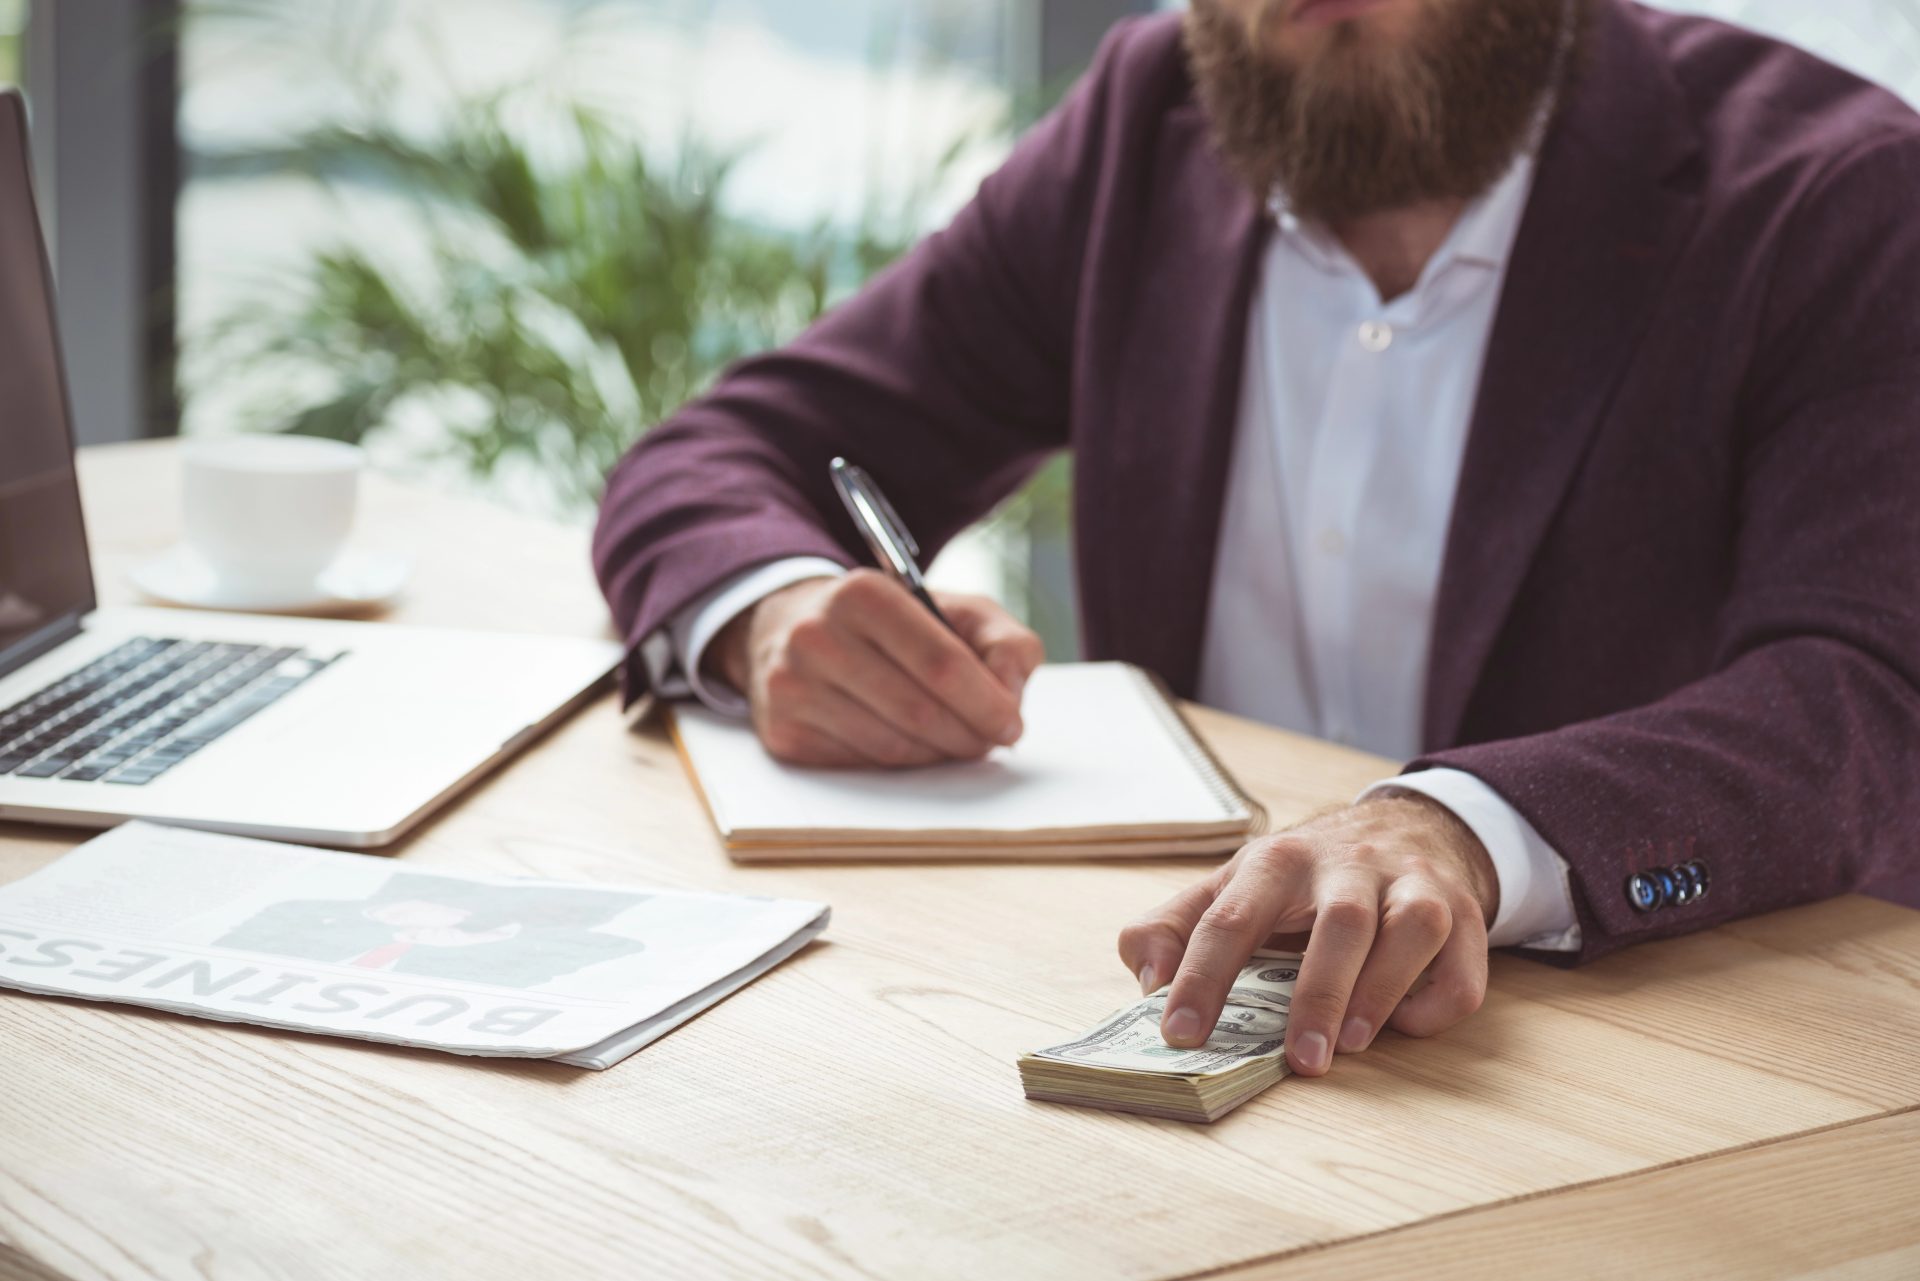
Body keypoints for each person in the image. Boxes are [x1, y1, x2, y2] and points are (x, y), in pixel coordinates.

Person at [593, 0, 1920, 1080]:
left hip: (1652, 1068)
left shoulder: (1837, 193)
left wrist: (1460, 830)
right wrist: (776, 614)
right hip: (1180, 1025)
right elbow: (724, 454)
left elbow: (1867, 691)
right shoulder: (1145, 119)